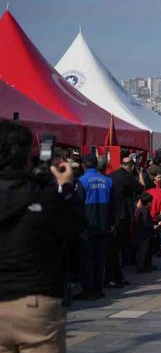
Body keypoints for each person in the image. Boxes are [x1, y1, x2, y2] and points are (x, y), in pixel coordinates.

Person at [0, 122, 85, 352]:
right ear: (27, 156)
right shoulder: (41, 195)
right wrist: (65, 189)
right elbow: (74, 226)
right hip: (35, 302)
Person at [75, 154, 113, 301]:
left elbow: (77, 206)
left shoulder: (81, 181)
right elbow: (113, 207)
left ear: (84, 165)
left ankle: (87, 290)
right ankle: (98, 289)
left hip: (87, 227)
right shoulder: (108, 181)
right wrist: (110, 224)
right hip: (103, 226)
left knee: (87, 260)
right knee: (99, 259)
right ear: (97, 164)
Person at [105, 157, 144, 289]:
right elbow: (141, 188)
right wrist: (140, 174)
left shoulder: (111, 175)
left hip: (112, 215)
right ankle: (113, 277)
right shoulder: (126, 177)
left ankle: (116, 276)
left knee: (113, 249)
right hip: (122, 217)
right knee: (116, 249)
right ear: (131, 167)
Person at [134, 192, 154, 273]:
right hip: (144, 234)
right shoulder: (145, 211)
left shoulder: (139, 209)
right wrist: (152, 226)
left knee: (140, 251)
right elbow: (145, 223)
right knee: (143, 251)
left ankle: (141, 266)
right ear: (149, 203)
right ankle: (141, 267)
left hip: (139, 233)